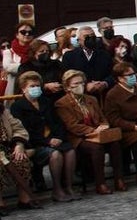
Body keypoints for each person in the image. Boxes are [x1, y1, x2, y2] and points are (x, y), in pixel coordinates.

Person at [9, 71, 77, 202]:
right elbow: (24, 130)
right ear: (23, 88)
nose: (35, 88)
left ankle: (68, 187)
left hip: (54, 139)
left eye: (37, 86)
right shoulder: (17, 107)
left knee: (70, 151)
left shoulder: (46, 102)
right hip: (35, 143)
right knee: (55, 154)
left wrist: (59, 137)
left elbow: (58, 122)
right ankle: (57, 189)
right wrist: (47, 141)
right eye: (32, 86)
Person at [54, 69, 125, 195]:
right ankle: (100, 183)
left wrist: (104, 126)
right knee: (96, 148)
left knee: (115, 144)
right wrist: (93, 131)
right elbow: (72, 125)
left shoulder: (91, 99)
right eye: (75, 84)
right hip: (79, 137)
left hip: (99, 134)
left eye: (81, 83)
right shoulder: (62, 103)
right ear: (67, 87)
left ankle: (119, 179)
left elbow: (102, 118)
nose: (79, 86)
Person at [0, 101, 41, 210]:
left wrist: (19, 144)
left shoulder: (3, 112)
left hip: (8, 148)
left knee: (20, 158)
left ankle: (24, 199)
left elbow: (18, 129)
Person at [61, 26, 114, 94]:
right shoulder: (69, 56)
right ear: (79, 40)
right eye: (86, 36)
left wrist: (105, 83)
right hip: (81, 94)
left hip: (103, 94)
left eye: (92, 36)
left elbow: (112, 74)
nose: (90, 39)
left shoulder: (104, 54)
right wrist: (85, 85)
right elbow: (66, 77)